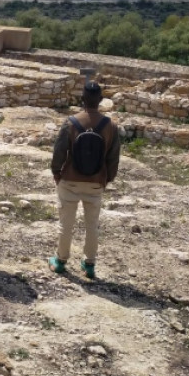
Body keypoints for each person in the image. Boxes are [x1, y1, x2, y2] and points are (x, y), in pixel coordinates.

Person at [48, 81, 120, 279]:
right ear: (100, 101)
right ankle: (89, 265)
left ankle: (61, 261)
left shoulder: (71, 122)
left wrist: (56, 171)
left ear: (83, 100)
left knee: (66, 223)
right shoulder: (110, 126)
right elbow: (113, 157)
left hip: (70, 180)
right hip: (96, 181)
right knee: (92, 225)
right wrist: (108, 178)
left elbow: (60, 150)